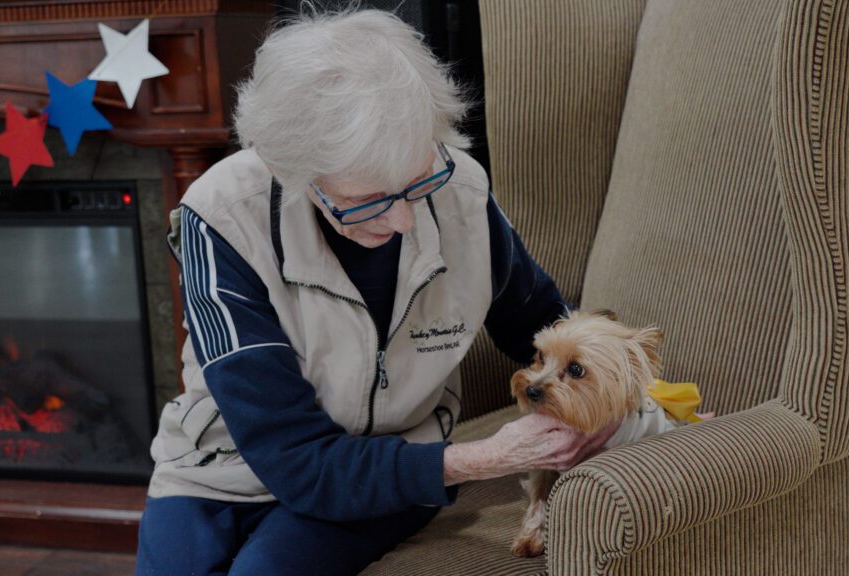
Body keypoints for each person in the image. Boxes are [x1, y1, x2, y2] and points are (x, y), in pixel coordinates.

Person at [135, 7, 618, 575]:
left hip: (396, 462)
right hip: (224, 467)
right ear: (293, 171)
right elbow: (294, 459)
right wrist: (486, 457)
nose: (406, 221)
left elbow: (543, 321)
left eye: (418, 183)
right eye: (369, 200)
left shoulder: (460, 189)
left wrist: (644, 404)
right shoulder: (219, 219)